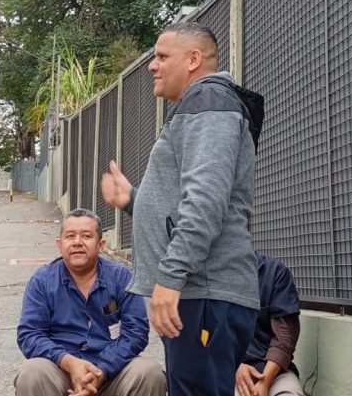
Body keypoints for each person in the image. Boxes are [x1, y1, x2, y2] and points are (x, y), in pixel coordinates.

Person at [100, 22, 259, 395]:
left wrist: (170, 278)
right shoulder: (200, 105)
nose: (151, 65)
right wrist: (133, 200)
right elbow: (186, 202)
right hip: (200, 293)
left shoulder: (209, 102)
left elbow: (205, 201)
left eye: (161, 56)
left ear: (193, 59)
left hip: (204, 291)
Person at [15, 209, 165, 396]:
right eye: (70, 236)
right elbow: (29, 334)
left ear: (101, 244)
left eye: (86, 236)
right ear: (59, 244)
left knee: (149, 372)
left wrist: (102, 370)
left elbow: (136, 332)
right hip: (60, 373)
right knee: (33, 372)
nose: (77, 242)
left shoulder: (121, 277)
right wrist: (68, 362)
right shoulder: (42, 280)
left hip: (113, 374)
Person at [236, 252, 305, 396]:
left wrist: (264, 383)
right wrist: (233, 366)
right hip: (227, 370)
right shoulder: (207, 277)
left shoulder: (274, 271)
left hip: (273, 372)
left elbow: (285, 337)